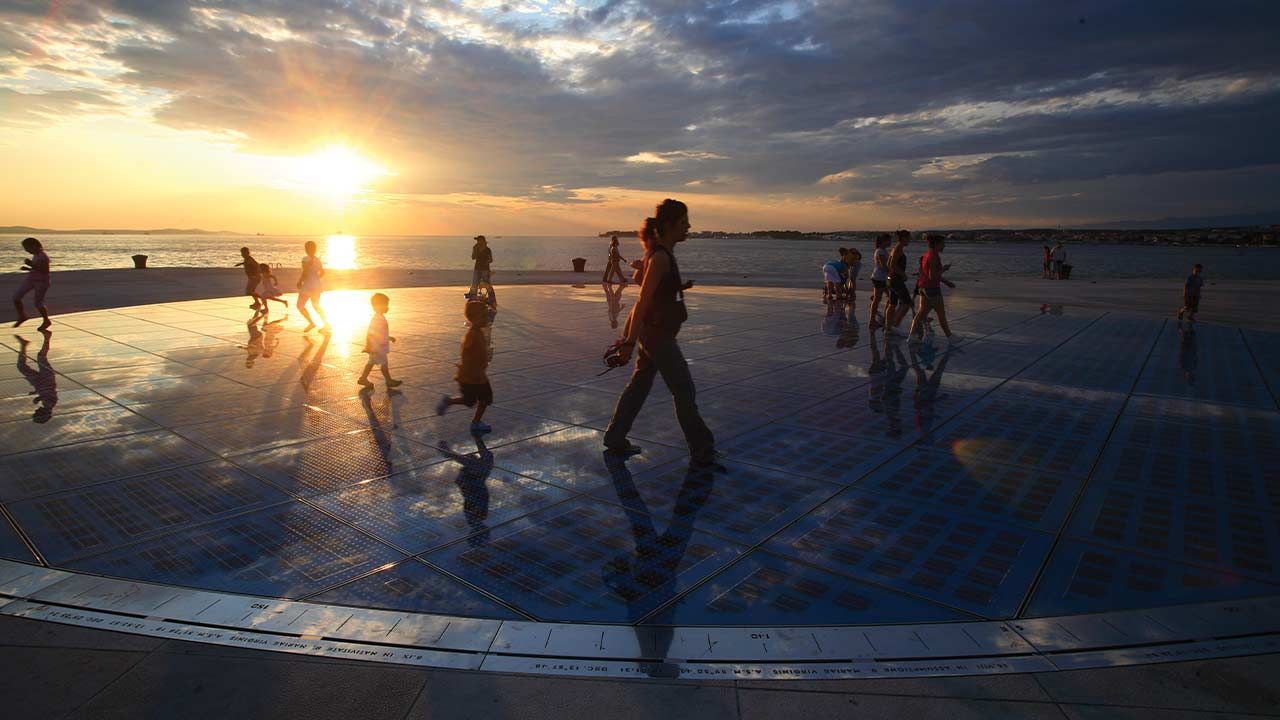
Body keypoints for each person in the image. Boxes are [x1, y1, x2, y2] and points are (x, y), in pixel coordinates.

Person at [603, 198, 718, 468]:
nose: (688, 226)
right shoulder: (661, 258)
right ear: (669, 225)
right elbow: (642, 302)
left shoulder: (661, 255)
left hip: (655, 333)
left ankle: (615, 437)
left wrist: (631, 338)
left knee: (640, 385)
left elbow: (655, 298)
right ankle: (703, 449)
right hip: (657, 336)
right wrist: (628, 342)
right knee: (684, 389)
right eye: (683, 222)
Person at [435, 300, 493, 434]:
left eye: (486, 316)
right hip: (472, 377)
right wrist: (471, 370)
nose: (486, 319)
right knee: (478, 400)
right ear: (473, 318)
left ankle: (452, 404)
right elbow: (466, 354)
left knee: (478, 400)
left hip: (476, 376)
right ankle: (474, 422)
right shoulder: (472, 335)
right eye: (483, 316)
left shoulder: (478, 332)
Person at [908, 234, 955, 341]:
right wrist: (944, 269)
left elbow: (926, 274)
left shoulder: (926, 255)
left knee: (921, 313)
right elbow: (932, 276)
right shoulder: (934, 256)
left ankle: (912, 336)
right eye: (943, 244)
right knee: (941, 313)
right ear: (937, 244)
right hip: (932, 288)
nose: (944, 246)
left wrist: (946, 282)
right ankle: (950, 336)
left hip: (923, 287)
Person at [358, 293, 402, 393]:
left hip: (377, 346)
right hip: (377, 347)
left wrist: (388, 337)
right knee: (383, 364)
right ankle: (388, 380)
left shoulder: (379, 317)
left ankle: (364, 378)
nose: (387, 307)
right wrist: (369, 345)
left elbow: (380, 332)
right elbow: (371, 332)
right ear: (377, 306)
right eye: (385, 304)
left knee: (373, 363)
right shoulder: (378, 318)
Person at [14, 328, 56, 422]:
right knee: (41, 356)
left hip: (39, 381)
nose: (36, 410)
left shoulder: (47, 404)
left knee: (22, 366)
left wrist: (36, 392)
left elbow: (46, 393)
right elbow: (49, 395)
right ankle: (47, 337)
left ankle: (23, 345)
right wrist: (38, 398)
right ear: (42, 414)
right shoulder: (49, 404)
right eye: (36, 413)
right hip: (46, 378)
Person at [13, 237, 52, 329]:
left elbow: (45, 270)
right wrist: (29, 268)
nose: (27, 251)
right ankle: (22, 315)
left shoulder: (43, 256)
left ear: (34, 246)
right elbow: (37, 268)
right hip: (31, 279)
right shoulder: (36, 255)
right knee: (16, 297)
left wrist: (31, 265)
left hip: (41, 282)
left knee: (38, 302)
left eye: (27, 248)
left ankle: (46, 320)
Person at [296, 240, 330, 334]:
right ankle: (326, 323)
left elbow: (305, 272)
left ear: (306, 249)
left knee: (300, 305)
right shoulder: (317, 260)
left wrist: (300, 281)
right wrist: (316, 278)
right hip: (317, 285)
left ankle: (311, 323)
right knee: (316, 306)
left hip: (308, 286)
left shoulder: (305, 259)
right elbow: (322, 273)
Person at [885, 230, 914, 333]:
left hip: (891, 280)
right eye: (909, 238)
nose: (910, 240)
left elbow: (888, 264)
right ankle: (895, 325)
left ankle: (888, 327)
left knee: (892, 303)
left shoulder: (895, 249)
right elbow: (892, 264)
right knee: (907, 303)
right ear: (904, 238)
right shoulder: (898, 249)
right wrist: (903, 274)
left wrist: (890, 276)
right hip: (896, 281)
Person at [868, 233, 890, 329]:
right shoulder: (880, 251)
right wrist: (892, 274)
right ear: (884, 241)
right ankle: (872, 321)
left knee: (890, 297)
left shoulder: (883, 250)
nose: (890, 242)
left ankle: (886, 317)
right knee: (878, 300)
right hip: (879, 278)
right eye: (889, 241)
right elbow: (883, 265)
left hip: (882, 278)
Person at [234, 246, 262, 311]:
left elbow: (257, 266)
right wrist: (241, 263)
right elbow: (247, 263)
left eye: (243, 253)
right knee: (251, 291)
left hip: (254, 278)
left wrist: (255, 275)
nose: (242, 255)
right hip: (252, 278)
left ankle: (262, 299)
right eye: (241, 253)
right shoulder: (247, 259)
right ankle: (258, 302)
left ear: (247, 253)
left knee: (249, 291)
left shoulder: (249, 259)